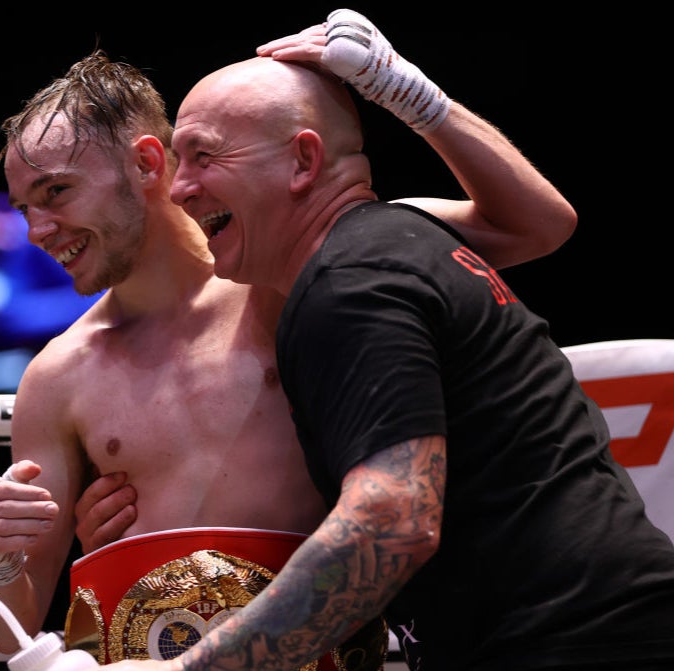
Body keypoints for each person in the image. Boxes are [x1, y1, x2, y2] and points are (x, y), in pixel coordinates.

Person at [0, 8, 579, 663]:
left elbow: (538, 226)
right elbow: (12, 625)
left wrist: (406, 92)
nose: (37, 230)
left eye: (57, 192)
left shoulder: (306, 266)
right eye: (25, 208)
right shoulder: (58, 377)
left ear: (145, 163)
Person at [95, 9, 674, 671]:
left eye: (203, 155)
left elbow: (393, 521)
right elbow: (544, 222)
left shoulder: (348, 282)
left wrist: (190, 669)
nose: (181, 186)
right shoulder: (396, 237)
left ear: (303, 161)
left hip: (572, 641)